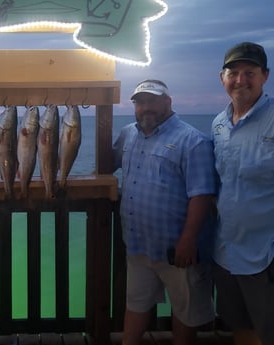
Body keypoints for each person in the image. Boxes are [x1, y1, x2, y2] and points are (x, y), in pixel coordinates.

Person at [113, 80, 217, 345]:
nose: (146, 108)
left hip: (178, 249)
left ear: (168, 103)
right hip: (138, 245)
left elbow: (202, 194)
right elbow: (108, 162)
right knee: (136, 303)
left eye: (152, 101)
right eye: (140, 102)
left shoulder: (193, 141)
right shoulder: (128, 134)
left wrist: (188, 239)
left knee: (185, 310)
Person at [212, 42, 274, 345]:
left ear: (265, 76)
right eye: (233, 73)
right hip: (227, 251)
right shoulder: (218, 125)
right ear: (222, 78)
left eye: (249, 72)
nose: (240, 80)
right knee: (241, 328)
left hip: (267, 254)